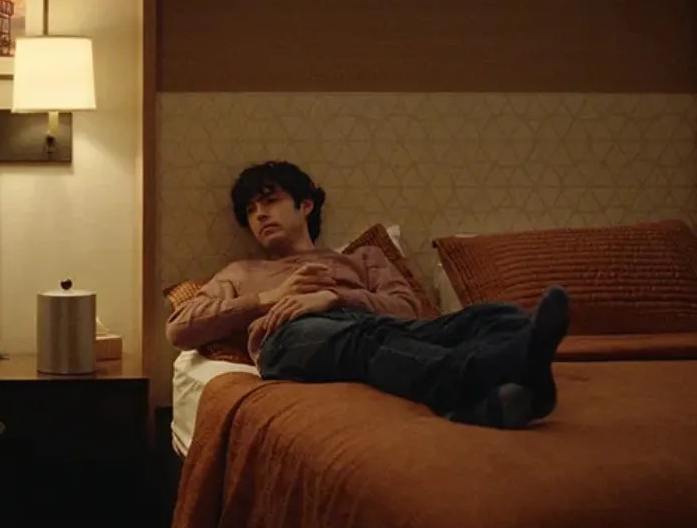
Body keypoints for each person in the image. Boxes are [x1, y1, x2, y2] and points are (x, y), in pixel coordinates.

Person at [166, 160, 567, 429]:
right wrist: (270, 298)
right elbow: (180, 327)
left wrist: (336, 298)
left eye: (270, 201)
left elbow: (411, 311)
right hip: (291, 338)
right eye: (251, 210)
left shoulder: (363, 258)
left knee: (491, 316)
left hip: (371, 325)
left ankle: (496, 396)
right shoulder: (241, 271)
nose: (260, 214)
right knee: (360, 338)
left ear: (305, 205)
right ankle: (501, 369)